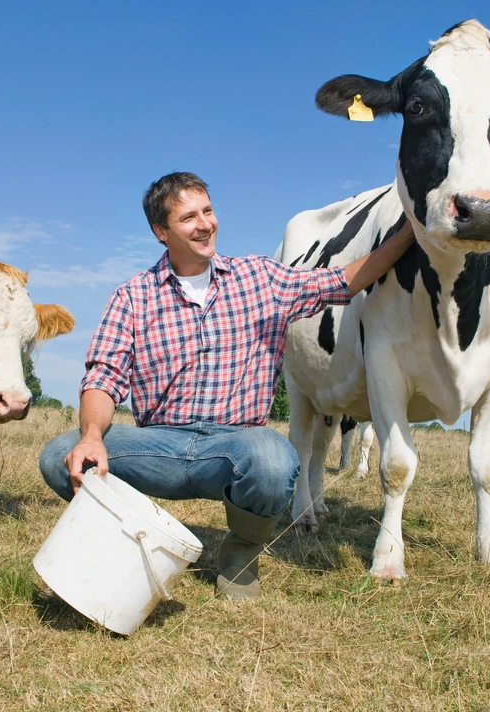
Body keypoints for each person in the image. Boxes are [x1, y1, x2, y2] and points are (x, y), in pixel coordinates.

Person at [40, 172, 414, 600]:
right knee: (59, 456)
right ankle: (132, 537)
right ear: (161, 232)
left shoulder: (258, 278)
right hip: (158, 446)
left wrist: (408, 233)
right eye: (188, 218)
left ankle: (240, 558)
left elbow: (342, 280)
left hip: (234, 447)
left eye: (208, 211)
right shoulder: (133, 296)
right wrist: (92, 436)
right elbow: (103, 378)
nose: (205, 224)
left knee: (274, 459)